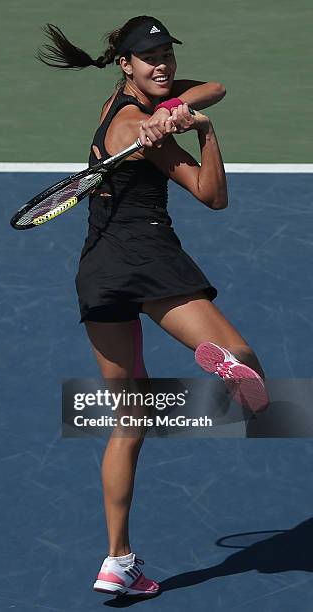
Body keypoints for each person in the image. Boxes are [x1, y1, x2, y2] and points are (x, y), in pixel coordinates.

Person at [37, 15, 269, 598]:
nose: (162, 64)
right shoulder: (141, 128)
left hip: (97, 272)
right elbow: (213, 197)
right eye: (150, 57)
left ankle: (117, 561)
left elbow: (212, 84)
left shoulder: (120, 105)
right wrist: (203, 132)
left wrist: (178, 108)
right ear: (127, 65)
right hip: (147, 260)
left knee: (129, 418)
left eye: (166, 53)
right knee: (247, 363)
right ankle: (216, 357)